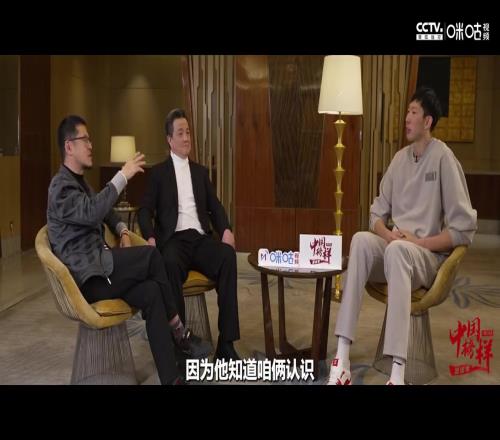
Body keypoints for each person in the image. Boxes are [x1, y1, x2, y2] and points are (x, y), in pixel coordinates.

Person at [328, 87, 477, 385]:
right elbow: (375, 215)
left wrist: (416, 243)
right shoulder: (399, 160)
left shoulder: (444, 159)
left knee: (398, 251)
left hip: (426, 257)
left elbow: (463, 230)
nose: (406, 118)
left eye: (413, 112)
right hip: (396, 249)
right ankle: (341, 358)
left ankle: (397, 373)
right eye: (407, 112)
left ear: (427, 121)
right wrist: (389, 235)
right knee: (360, 240)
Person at [47, 115, 200, 385]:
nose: (91, 145)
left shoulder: (79, 182)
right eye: (85, 139)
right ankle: (178, 330)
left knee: (152, 292)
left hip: (102, 268)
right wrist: (122, 176)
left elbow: (103, 211)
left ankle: (171, 378)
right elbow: (92, 211)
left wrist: (123, 230)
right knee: (152, 255)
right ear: (69, 146)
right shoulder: (60, 186)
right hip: (90, 278)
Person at [138, 108, 241, 362]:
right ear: (169, 139)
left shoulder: (200, 172)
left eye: (188, 132)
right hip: (173, 240)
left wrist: (226, 229)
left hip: (200, 239)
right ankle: (180, 346)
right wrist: (150, 237)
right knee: (169, 263)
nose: (186, 138)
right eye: (180, 133)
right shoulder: (158, 173)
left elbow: (215, 206)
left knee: (227, 256)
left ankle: (226, 344)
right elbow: (144, 210)